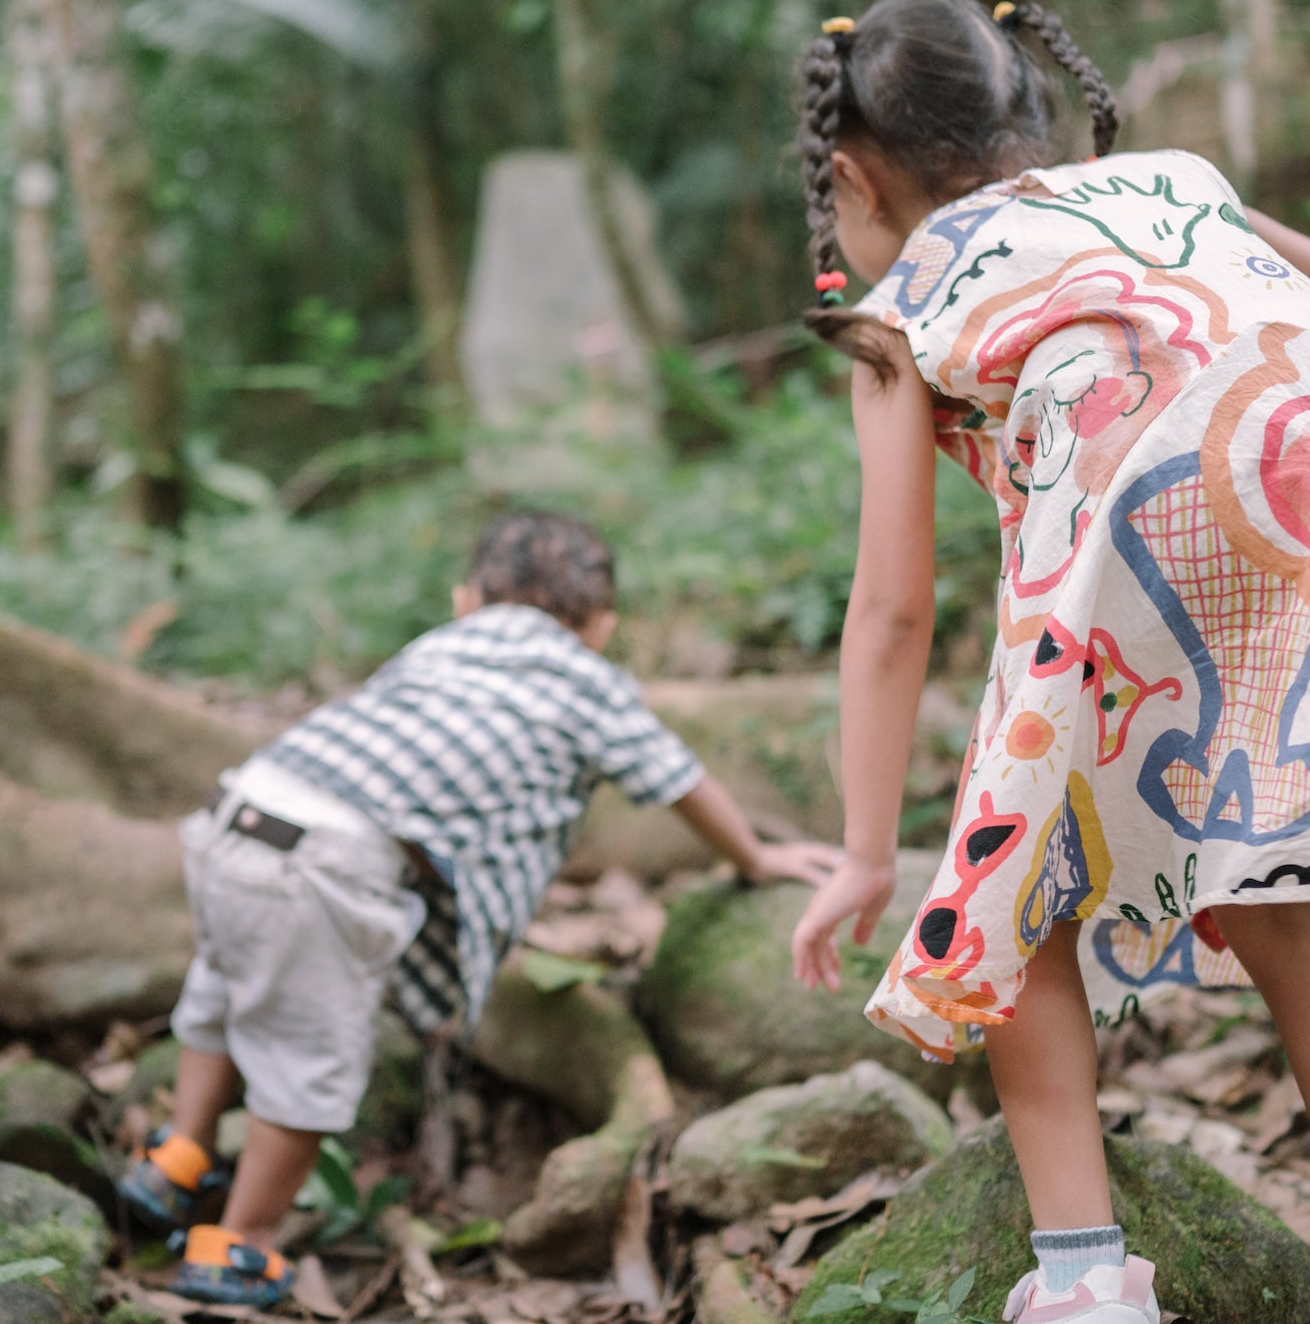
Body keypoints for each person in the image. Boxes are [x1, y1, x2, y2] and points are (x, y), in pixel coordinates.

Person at [782, 0, 1310, 1324]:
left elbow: (892, 609)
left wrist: (857, 850)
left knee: (1013, 885)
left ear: (851, 172)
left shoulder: (906, 303)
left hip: (1145, 518)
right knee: (1290, 904)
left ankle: (1081, 1282)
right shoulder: (1179, 187)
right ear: (1028, 114)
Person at [119, 510, 844, 1305]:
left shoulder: (440, 645)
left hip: (238, 813)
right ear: (600, 624)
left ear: (466, 600)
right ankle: (241, 1243)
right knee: (308, 1063)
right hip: (328, 861)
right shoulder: (587, 676)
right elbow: (678, 779)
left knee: (220, 995)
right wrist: (756, 856)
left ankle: (179, 1157)